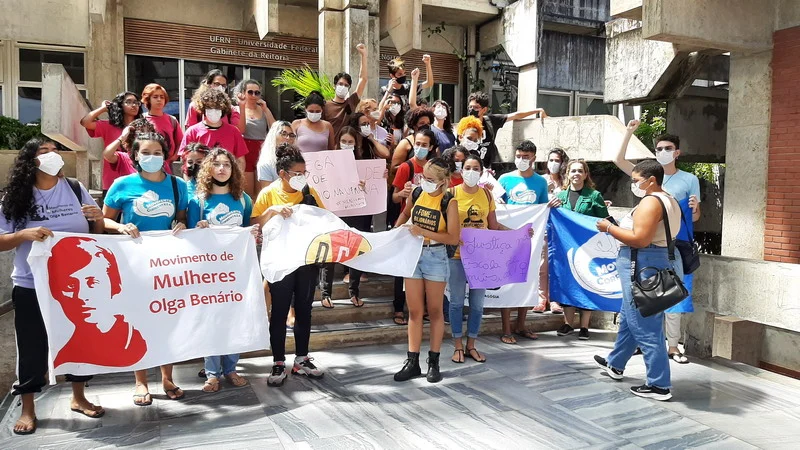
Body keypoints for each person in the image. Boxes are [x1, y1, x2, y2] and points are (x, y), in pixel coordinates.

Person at [0, 137, 106, 434]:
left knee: (77, 341)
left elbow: (95, 234)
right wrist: (23, 235)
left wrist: (98, 218)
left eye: (55, 150)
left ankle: (78, 397)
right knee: (31, 347)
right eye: (44, 151)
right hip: (32, 284)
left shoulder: (74, 188)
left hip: (74, 286)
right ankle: (28, 408)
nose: (52, 155)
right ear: (30, 161)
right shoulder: (15, 197)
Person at [102, 132, 189, 406]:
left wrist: (182, 225)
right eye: (146, 153)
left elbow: (182, 218)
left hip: (167, 264)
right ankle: (140, 380)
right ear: (135, 156)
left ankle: (167, 378)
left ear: (166, 156)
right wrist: (121, 227)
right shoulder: (122, 185)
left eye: (157, 153)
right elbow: (103, 221)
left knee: (167, 320)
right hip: (134, 264)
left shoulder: (178, 185)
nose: (152, 157)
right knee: (138, 320)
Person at [594, 159, 683, 401]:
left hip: (641, 262)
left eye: (636, 180)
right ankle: (616, 363)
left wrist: (609, 228)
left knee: (644, 324)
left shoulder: (651, 202)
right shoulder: (670, 199)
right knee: (630, 315)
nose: (633, 184)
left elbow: (640, 239)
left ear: (651, 180)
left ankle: (659, 384)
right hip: (653, 260)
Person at [614, 120, 700, 364]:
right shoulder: (646, 175)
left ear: (677, 152)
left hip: (669, 246)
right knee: (635, 304)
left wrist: (695, 208)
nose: (663, 152)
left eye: (667, 148)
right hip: (646, 247)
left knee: (670, 295)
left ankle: (671, 347)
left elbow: (693, 217)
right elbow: (619, 160)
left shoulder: (688, 180)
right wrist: (629, 132)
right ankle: (619, 358)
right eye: (659, 148)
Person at [251, 143, 326, 387]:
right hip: (279, 262)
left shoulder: (310, 192)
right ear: (282, 174)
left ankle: (302, 359)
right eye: (297, 173)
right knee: (280, 311)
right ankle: (278, 361)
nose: (302, 177)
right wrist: (272, 211)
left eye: (304, 173)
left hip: (306, 261)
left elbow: (324, 220)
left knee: (304, 309)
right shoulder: (268, 194)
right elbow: (254, 223)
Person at [188, 147, 256, 392]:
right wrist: (199, 230)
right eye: (216, 164)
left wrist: (253, 234)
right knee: (211, 321)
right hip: (209, 273)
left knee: (234, 320)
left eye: (227, 164)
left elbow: (247, 233)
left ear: (233, 169)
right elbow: (190, 238)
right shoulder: (198, 201)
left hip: (236, 270)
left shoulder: (243, 200)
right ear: (208, 168)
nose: (221, 168)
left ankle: (231, 369)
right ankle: (212, 373)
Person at [393, 156, 460, 383]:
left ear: (442, 181)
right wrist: (396, 229)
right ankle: (412, 361)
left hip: (436, 256)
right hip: (413, 254)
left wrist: (423, 232)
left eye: (430, 179)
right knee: (414, 311)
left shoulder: (449, 202)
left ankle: (434, 361)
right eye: (424, 177)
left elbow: (453, 237)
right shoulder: (417, 193)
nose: (425, 181)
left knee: (435, 311)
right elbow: (406, 213)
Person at [48, 236, 146, 367]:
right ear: (55, 293)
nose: (81, 295)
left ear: (114, 284)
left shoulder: (139, 341)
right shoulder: (63, 358)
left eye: (92, 282)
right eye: (70, 286)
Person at [318, 126, 382, 308]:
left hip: (357, 213)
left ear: (356, 144)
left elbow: (373, 189)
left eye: (350, 142)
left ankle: (354, 292)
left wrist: (368, 183)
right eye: (344, 141)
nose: (347, 145)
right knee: (331, 251)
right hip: (335, 213)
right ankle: (325, 293)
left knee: (356, 250)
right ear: (338, 143)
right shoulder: (327, 163)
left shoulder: (363, 165)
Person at [548, 159, 610, 340]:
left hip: (588, 248)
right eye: (573, 171)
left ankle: (584, 326)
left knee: (587, 283)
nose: (576, 174)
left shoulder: (594, 195)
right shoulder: (560, 196)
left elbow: (604, 220)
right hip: (566, 247)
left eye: (580, 171)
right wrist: (550, 206)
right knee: (567, 284)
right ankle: (568, 324)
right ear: (567, 174)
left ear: (585, 174)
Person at [447, 152, 498, 364]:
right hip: (457, 256)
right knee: (456, 303)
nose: (471, 172)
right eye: (467, 168)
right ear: (461, 170)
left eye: (475, 169)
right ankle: (458, 345)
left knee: (477, 305)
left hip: (481, 258)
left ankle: (471, 345)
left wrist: (518, 233)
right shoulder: (450, 193)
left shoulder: (487, 195)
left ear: (482, 172)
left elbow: (493, 226)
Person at [497, 140, 549, 344]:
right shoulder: (504, 179)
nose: (521, 160)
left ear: (534, 158)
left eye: (525, 157)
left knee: (528, 280)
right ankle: (506, 329)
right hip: (508, 239)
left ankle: (521, 324)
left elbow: (542, 208)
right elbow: (495, 204)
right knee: (507, 281)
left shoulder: (540, 182)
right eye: (518, 156)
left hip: (530, 239)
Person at [391, 128, 437, 325]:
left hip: (429, 225)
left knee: (425, 267)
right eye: (417, 144)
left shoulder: (434, 169)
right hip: (407, 225)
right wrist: (402, 194)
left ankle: (423, 307)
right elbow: (394, 197)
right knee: (403, 268)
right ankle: (398, 308)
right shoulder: (406, 167)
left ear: (431, 147)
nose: (420, 148)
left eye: (424, 145)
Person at [80, 91, 144, 193]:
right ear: (120, 105)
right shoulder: (108, 126)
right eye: (129, 102)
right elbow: (85, 122)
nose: (134, 105)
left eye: (136, 102)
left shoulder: (143, 128)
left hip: (138, 181)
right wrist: (103, 109)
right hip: (112, 183)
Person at [467, 91, 547, 169]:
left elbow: (516, 115)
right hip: (470, 167)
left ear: (484, 110)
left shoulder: (490, 121)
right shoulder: (464, 125)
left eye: (476, 107)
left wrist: (538, 110)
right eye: (470, 107)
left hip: (488, 168)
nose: (472, 110)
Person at [533, 148, 569, 314]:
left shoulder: (567, 182)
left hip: (562, 229)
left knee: (558, 265)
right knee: (542, 264)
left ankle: (555, 299)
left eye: (557, 160)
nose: (554, 163)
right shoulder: (540, 180)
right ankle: (541, 298)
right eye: (551, 160)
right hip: (544, 227)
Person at [179, 89, 248, 172]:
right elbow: (185, 161)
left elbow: (240, 161)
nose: (213, 111)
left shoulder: (234, 131)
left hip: (227, 177)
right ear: (203, 109)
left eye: (217, 108)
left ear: (223, 109)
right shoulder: (192, 132)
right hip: (200, 178)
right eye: (209, 108)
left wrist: (236, 178)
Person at [233, 79, 276, 199]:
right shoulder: (237, 110)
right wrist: (242, 107)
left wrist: (266, 109)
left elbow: (275, 129)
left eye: (257, 93)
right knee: (248, 193)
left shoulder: (263, 109)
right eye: (250, 92)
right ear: (243, 93)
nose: (253, 95)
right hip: (245, 150)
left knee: (262, 192)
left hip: (262, 150)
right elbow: (239, 130)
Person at [324, 43, 368, 134]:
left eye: (346, 85)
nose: (343, 87)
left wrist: (364, 55)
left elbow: (363, 79)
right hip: (331, 143)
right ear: (334, 86)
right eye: (340, 84)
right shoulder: (325, 106)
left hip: (349, 142)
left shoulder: (351, 102)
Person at [141, 83, 183, 172]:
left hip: (167, 166)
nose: (159, 99)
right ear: (148, 99)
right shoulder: (141, 119)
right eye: (155, 97)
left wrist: (174, 157)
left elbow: (181, 142)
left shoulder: (172, 120)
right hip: (145, 165)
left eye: (162, 97)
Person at [389, 107, 434, 176]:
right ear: (414, 126)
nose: (426, 126)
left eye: (428, 123)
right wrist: (413, 166)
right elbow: (393, 169)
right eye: (422, 123)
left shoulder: (432, 141)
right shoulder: (405, 143)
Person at [256, 121, 297, 191]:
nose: (288, 138)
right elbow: (268, 193)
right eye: (284, 134)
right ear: (274, 136)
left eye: (291, 135)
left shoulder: (298, 160)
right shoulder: (266, 163)